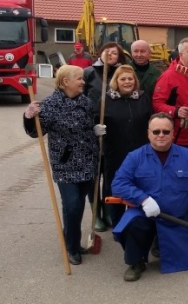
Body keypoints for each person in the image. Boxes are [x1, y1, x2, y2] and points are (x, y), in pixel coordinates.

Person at [111, 113, 188, 281]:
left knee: (185, 262)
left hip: (177, 217)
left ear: (173, 133)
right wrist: (143, 199)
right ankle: (136, 261)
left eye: (166, 132)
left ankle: (160, 243)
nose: (161, 135)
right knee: (132, 224)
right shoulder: (135, 157)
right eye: (156, 131)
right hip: (145, 214)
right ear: (148, 133)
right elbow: (118, 184)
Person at [23, 65, 102, 265]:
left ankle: (71, 239)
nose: (83, 82)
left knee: (77, 204)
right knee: (73, 206)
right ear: (66, 81)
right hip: (66, 164)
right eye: (79, 79)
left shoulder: (85, 102)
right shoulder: (50, 104)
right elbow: (35, 133)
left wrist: (95, 130)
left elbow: (87, 126)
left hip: (87, 161)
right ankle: (72, 247)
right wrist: (29, 117)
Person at [100, 64, 153, 227]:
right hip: (115, 153)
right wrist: (97, 129)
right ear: (116, 81)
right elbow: (97, 119)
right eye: (123, 79)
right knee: (116, 187)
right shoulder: (106, 99)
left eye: (130, 79)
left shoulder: (142, 97)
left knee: (139, 187)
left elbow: (150, 119)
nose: (127, 82)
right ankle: (117, 223)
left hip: (140, 152)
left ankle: (138, 222)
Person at [83, 41, 127, 232]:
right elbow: (81, 100)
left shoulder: (120, 73)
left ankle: (109, 209)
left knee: (110, 173)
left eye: (115, 53)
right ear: (100, 53)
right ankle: (96, 214)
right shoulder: (88, 73)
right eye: (107, 52)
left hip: (113, 132)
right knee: (94, 175)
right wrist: (90, 126)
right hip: (92, 129)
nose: (110, 55)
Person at [153, 37, 188, 165]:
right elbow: (157, 104)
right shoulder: (169, 76)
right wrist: (175, 111)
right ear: (181, 54)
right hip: (179, 138)